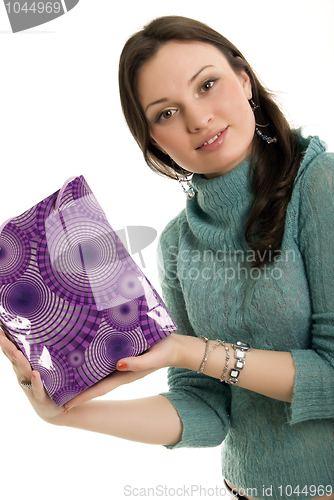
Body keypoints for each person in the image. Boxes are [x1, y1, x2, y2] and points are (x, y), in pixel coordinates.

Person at [1, 15, 333, 500]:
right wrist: (68, 414)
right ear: (154, 140)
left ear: (244, 81)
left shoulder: (319, 185)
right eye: (165, 113)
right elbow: (205, 407)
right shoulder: (179, 242)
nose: (198, 119)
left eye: (208, 84)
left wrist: (187, 350)